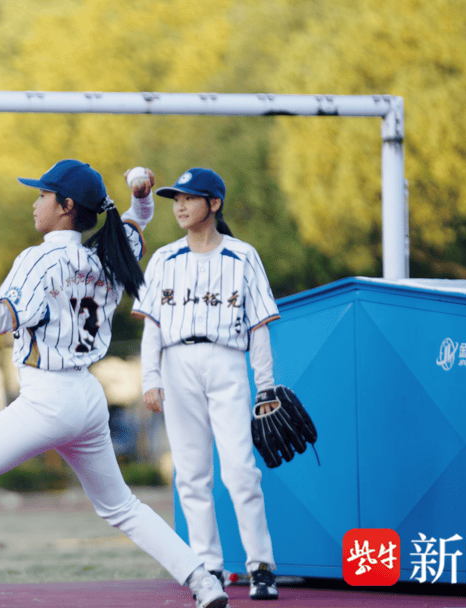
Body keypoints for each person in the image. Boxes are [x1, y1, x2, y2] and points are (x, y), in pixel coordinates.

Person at [0, 160, 229, 608]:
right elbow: (137, 220)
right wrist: (141, 193)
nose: (35, 203)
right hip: (87, 399)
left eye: (43, 195)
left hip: (47, 398)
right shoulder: (107, 254)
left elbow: (2, 319)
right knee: (122, 507)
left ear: (66, 206)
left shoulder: (40, 258)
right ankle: (204, 580)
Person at [131, 167, 280, 600]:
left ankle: (261, 565)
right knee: (192, 474)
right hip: (177, 362)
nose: (179, 206)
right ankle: (208, 567)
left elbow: (259, 327)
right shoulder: (163, 258)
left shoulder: (243, 255)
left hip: (227, 360)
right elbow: (153, 327)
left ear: (213, 204)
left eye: (189, 198)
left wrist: (266, 386)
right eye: (175, 198)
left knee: (240, 471)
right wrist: (150, 377)